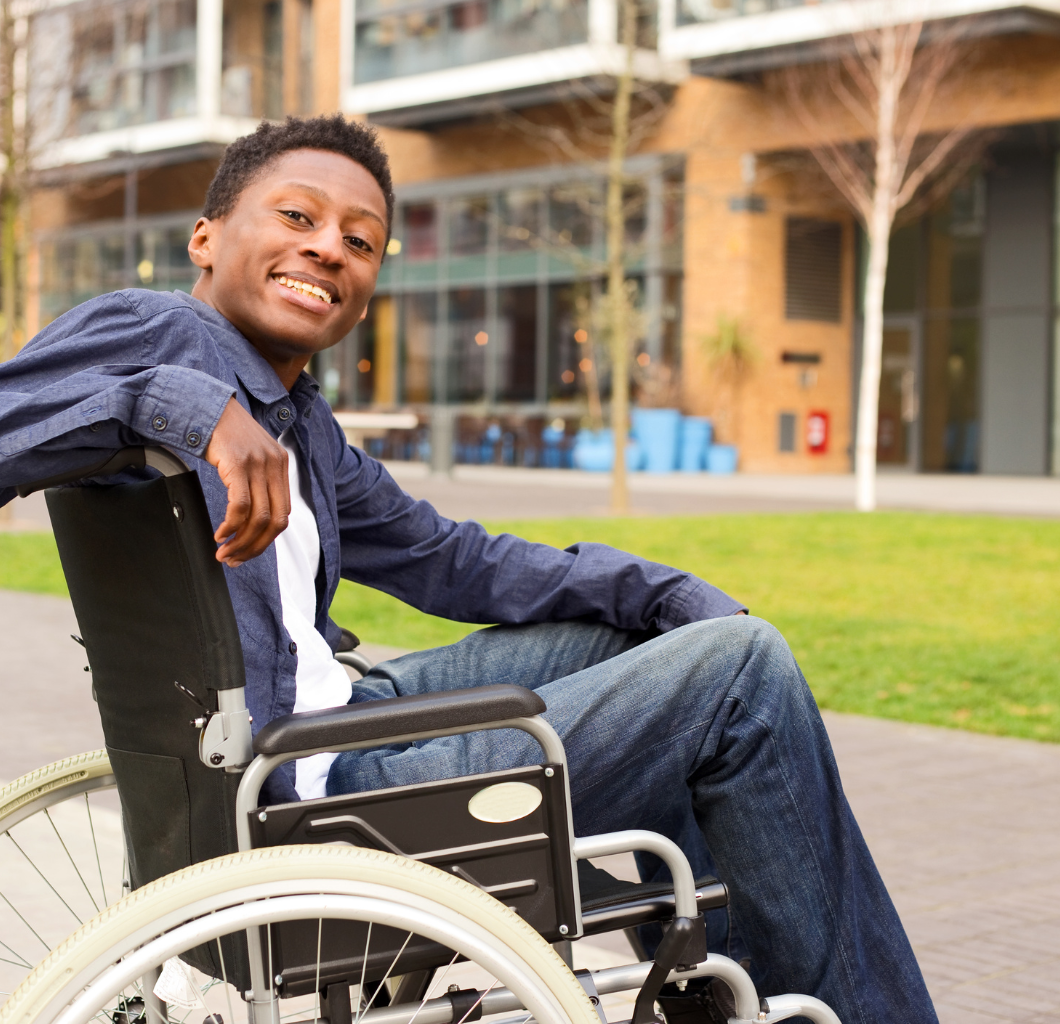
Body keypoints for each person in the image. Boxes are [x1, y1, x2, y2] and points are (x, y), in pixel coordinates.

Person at [0, 115, 937, 1024]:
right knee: (741, 673)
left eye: (360, 241)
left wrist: (666, 591)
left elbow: (453, 560)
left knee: (656, 637)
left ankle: (719, 979)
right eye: (297, 217)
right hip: (316, 797)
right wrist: (183, 406)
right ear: (206, 238)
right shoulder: (154, 331)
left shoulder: (300, 426)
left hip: (337, 727)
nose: (329, 248)